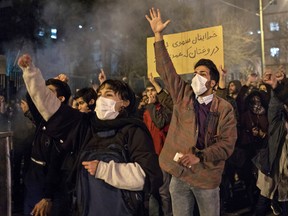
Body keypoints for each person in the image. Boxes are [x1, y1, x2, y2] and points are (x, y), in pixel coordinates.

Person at [18, 54, 163, 216]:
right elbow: (51, 107)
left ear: (125, 103)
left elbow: (147, 177)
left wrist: (104, 170)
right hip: (87, 208)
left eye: (108, 95)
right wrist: (30, 72)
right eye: (99, 94)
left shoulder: (133, 130)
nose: (101, 99)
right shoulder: (85, 125)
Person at [146, 8, 237, 216]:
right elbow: (166, 70)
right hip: (179, 175)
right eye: (195, 73)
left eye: (202, 74)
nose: (196, 77)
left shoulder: (224, 109)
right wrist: (158, 36)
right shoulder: (183, 96)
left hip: (206, 178)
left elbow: (227, 145)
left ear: (213, 82)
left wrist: (200, 156)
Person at [22, 77, 72, 216]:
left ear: (61, 99)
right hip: (34, 176)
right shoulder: (43, 118)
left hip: (52, 181)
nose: (43, 94)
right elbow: (31, 96)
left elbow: (57, 163)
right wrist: (38, 83)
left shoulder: (66, 124)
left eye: (48, 92)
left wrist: (47, 196)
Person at [253, 68, 288, 216]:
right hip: (272, 171)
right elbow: (275, 105)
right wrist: (275, 86)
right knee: (264, 199)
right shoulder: (277, 124)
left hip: (285, 180)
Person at [143, 76, 172, 216]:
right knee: (152, 190)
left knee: (164, 191)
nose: (150, 93)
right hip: (150, 154)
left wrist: (151, 106)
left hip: (163, 154)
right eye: (148, 90)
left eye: (153, 90)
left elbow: (160, 123)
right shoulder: (145, 110)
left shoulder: (166, 109)